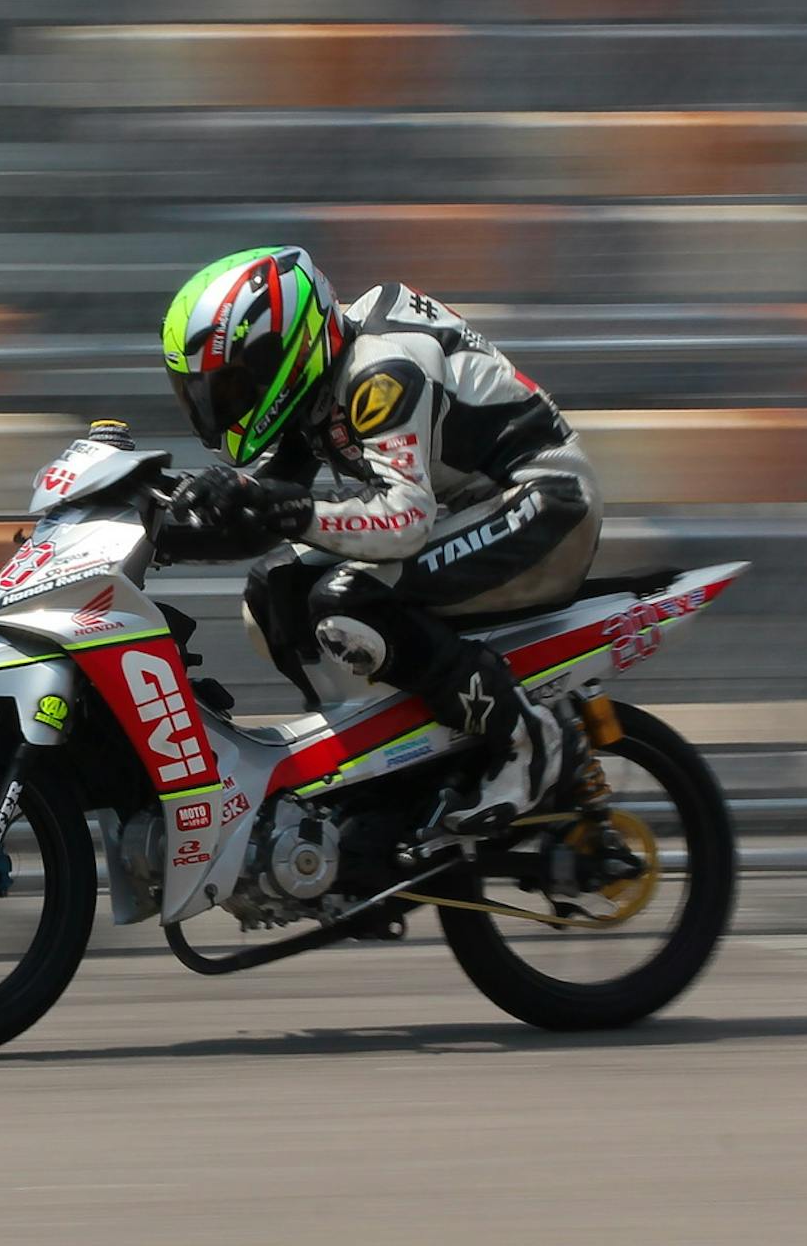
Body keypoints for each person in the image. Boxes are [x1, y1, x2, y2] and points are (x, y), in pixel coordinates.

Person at [157, 245, 597, 839]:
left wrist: (285, 509)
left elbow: (404, 523)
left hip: (545, 504)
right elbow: (267, 509)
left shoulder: (380, 370)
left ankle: (529, 738)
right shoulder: (324, 371)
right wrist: (163, 525)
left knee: (347, 600)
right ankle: (362, 758)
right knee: (274, 589)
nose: (222, 407)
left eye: (233, 386)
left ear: (282, 351)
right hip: (471, 509)